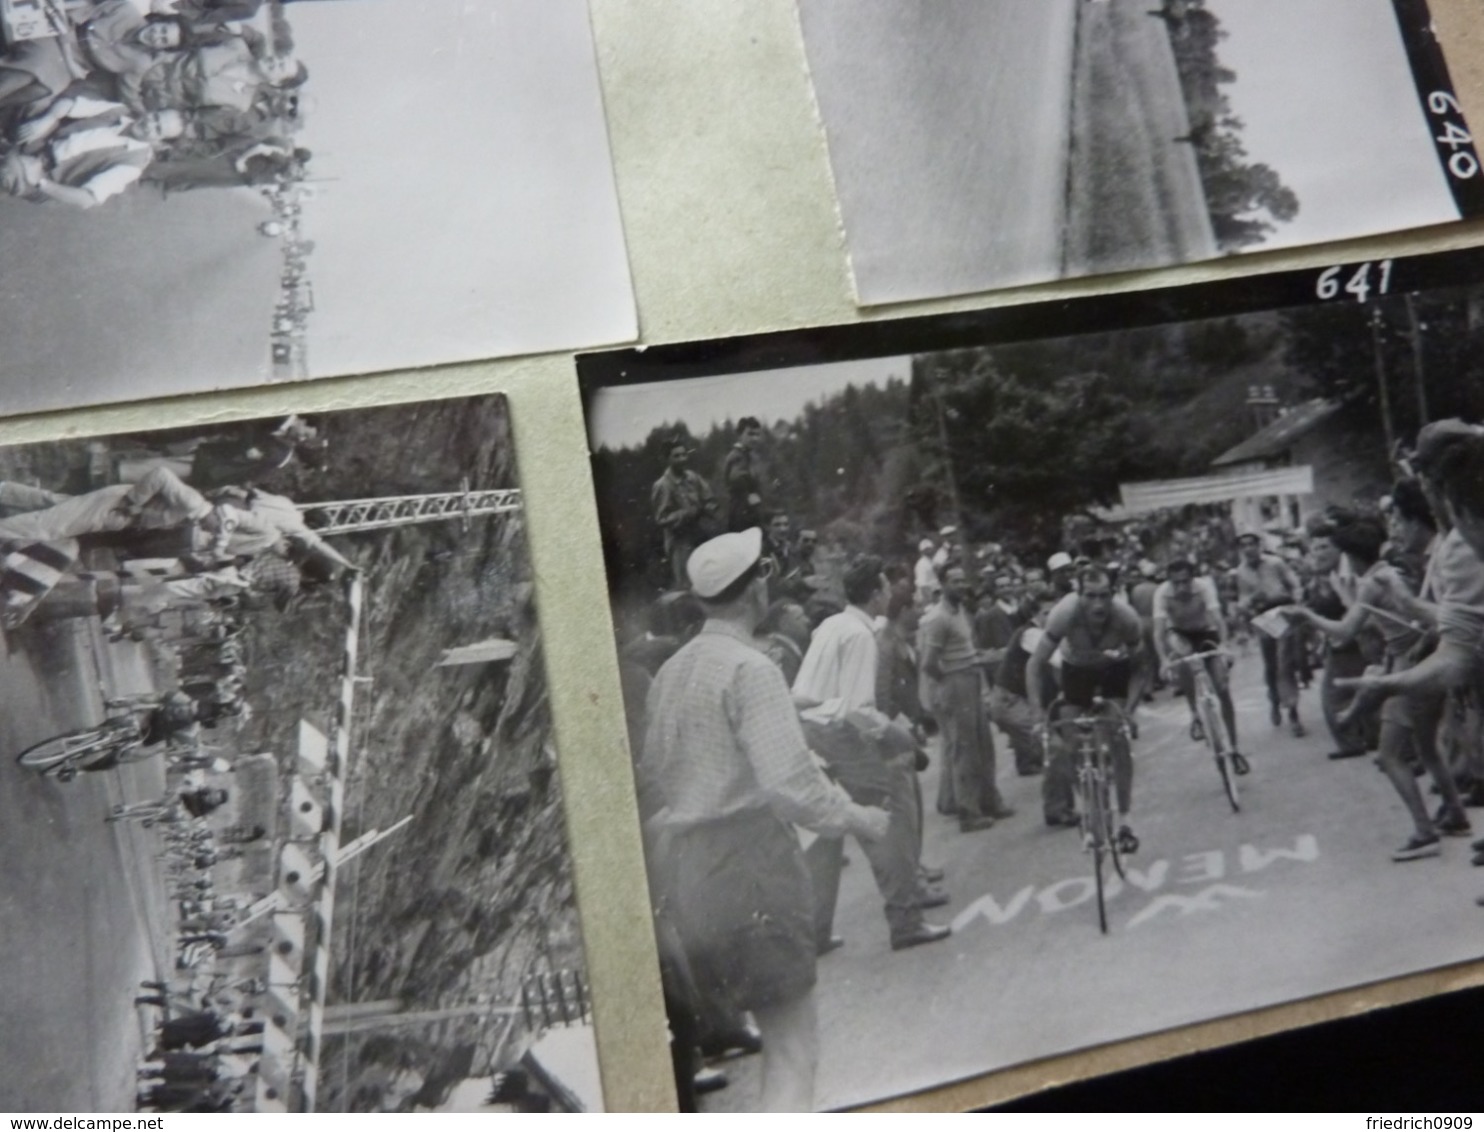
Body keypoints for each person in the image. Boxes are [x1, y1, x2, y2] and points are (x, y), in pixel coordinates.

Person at [639, 528, 889, 1111]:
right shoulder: (753, 669)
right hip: (751, 865)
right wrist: (861, 818)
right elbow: (792, 786)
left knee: (762, 1033)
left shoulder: (673, 672)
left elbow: (664, 768)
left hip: (692, 876)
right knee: (792, 1046)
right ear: (756, 589)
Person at [1285, 515, 1469, 861]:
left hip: (1406, 667)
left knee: (1389, 756)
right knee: (1427, 746)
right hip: (1429, 658)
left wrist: (1307, 617)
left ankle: (1424, 831)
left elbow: (1344, 632)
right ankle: (1455, 813)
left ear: (1353, 556)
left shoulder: (1371, 582)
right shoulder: (1397, 569)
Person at [793, 555, 949, 951]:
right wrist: (897, 735)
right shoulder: (861, 635)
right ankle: (906, 921)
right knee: (887, 822)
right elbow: (857, 708)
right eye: (884, 587)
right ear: (876, 593)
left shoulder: (832, 625)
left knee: (826, 834)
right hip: (840, 732)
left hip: (810, 729)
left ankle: (817, 930)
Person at [1027, 565, 1144, 854]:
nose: (1098, 604)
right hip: (1076, 670)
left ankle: (1125, 821)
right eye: (1090, 596)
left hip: (1112, 668)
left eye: (1104, 596)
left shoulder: (1126, 618)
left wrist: (1129, 709)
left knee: (1118, 737)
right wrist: (1037, 714)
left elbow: (1142, 668)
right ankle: (1089, 804)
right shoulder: (1063, 614)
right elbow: (1034, 665)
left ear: (1113, 594)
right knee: (1069, 745)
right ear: (1078, 595)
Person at [920, 565, 1013, 831]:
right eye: (954, 581)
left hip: (970, 679)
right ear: (942, 584)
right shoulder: (938, 618)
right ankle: (968, 812)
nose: (961, 585)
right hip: (955, 683)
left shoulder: (960, 611)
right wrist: (949, 682)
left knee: (983, 744)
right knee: (964, 749)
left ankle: (989, 801)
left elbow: (966, 649)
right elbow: (929, 663)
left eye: (963, 580)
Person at [1151, 558, 1245, 775]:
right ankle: (1195, 712)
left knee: (1222, 688)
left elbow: (1218, 619)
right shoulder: (1162, 593)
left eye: (1186, 582)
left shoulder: (1204, 587)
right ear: (1169, 582)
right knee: (1182, 656)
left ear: (1193, 579)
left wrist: (1224, 645)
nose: (1182, 588)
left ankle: (1234, 748)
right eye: (1176, 583)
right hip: (1179, 634)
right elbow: (1158, 631)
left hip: (1205, 631)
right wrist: (1164, 660)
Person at [1305, 522, 1375, 760]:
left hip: (1361, 639)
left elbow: (1360, 612)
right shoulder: (1328, 575)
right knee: (1350, 692)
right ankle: (1364, 739)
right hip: (1344, 639)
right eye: (1315, 548)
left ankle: (1355, 742)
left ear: (1339, 549)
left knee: (1334, 696)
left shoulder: (1349, 575)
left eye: (1324, 547)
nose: (1318, 553)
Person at [1234, 531, 1306, 737]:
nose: (1248, 549)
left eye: (1251, 544)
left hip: (1282, 613)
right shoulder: (1241, 572)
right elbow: (1243, 599)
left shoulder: (1275, 563)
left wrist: (1296, 602)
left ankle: (1293, 712)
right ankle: (1274, 701)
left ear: (1259, 545)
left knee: (1286, 663)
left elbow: (1294, 584)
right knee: (1271, 666)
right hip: (1263, 617)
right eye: (1243, 545)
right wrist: (1247, 603)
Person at [650, 440, 718, 590]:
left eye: (683, 455)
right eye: (676, 456)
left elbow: (709, 498)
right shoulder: (663, 485)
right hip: (680, 541)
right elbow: (661, 518)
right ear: (667, 459)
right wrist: (686, 514)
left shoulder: (692, 477)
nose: (682, 459)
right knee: (686, 585)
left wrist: (708, 508)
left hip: (700, 534)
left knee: (709, 579)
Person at [722, 418, 766, 531]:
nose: (754, 438)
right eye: (750, 434)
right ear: (740, 435)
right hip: (741, 512)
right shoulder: (737, 455)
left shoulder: (749, 455)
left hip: (750, 510)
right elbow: (736, 478)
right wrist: (748, 494)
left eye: (757, 434)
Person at [913, 538, 939, 605]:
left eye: (929, 548)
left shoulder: (934, 561)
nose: (928, 551)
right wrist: (931, 601)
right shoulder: (921, 564)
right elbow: (923, 585)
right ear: (922, 552)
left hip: (937, 592)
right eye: (925, 550)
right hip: (928, 596)